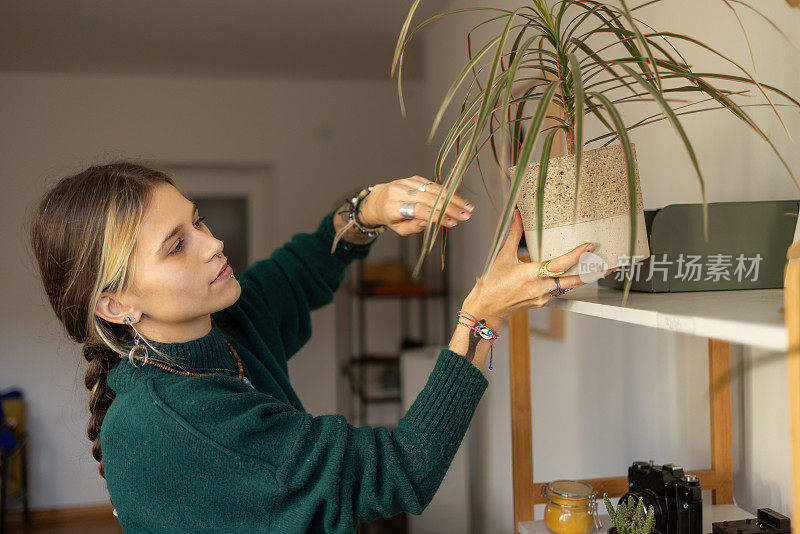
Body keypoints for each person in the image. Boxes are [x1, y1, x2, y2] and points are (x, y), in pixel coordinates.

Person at [27, 162, 613, 533]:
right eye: (177, 245)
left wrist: (368, 210)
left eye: (199, 221)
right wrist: (481, 319)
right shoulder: (178, 423)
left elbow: (300, 269)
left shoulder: (219, 324)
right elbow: (399, 471)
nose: (213, 243)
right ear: (115, 306)